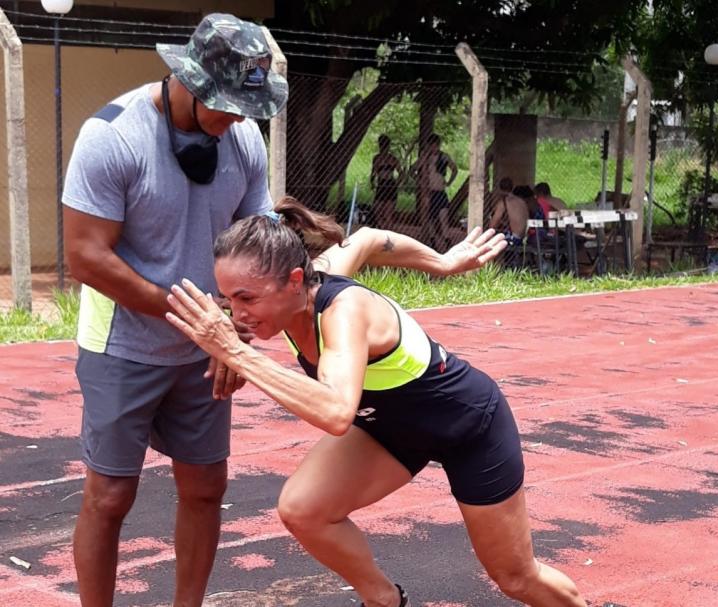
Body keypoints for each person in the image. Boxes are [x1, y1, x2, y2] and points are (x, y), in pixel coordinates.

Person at [60, 13, 501, 607]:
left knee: (205, 487)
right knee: (110, 495)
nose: (240, 118)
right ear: (189, 81)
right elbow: (86, 257)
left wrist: (233, 334)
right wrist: (205, 325)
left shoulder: (240, 140)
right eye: (230, 104)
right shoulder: (113, 136)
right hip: (127, 340)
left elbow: (259, 242)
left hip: (213, 338)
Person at [165, 196, 587, 607]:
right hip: (390, 431)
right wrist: (441, 262)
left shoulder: (344, 311)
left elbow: (334, 411)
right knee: (303, 509)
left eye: (247, 298)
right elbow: (366, 239)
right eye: (228, 299)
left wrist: (235, 352)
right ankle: (382, 598)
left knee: (514, 577)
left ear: (295, 280)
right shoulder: (304, 284)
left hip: (467, 427)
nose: (236, 316)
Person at [416, 133, 458, 252]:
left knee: (443, 218)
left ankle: (447, 241)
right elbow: (414, 168)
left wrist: (449, 182)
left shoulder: (444, 157)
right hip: (429, 192)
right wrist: (420, 181)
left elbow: (454, 169)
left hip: (440, 192)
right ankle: (433, 241)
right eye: (432, 146)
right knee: (430, 220)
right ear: (429, 146)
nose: (434, 148)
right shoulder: (425, 157)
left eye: (436, 146)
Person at [370, 134, 402, 229]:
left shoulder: (392, 158)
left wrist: (396, 184)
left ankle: (388, 235)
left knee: (388, 214)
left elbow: (401, 173)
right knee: (377, 210)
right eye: (381, 145)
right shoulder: (376, 158)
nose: (383, 147)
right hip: (381, 185)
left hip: (390, 185)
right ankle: (383, 230)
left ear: (388, 146)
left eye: (385, 145)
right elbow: (373, 172)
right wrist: (372, 182)